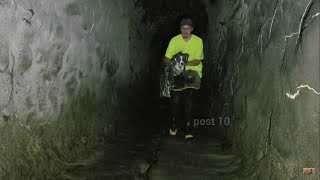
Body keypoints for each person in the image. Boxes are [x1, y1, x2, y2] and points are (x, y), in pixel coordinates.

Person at [162, 17, 204, 139]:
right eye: (183, 29)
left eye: (188, 29)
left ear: (192, 29)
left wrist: (184, 64)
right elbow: (166, 58)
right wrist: (173, 63)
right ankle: (174, 122)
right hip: (177, 74)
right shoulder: (174, 41)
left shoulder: (198, 41)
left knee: (189, 100)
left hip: (193, 73)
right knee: (175, 100)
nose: (185, 31)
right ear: (180, 29)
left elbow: (197, 61)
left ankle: (188, 128)